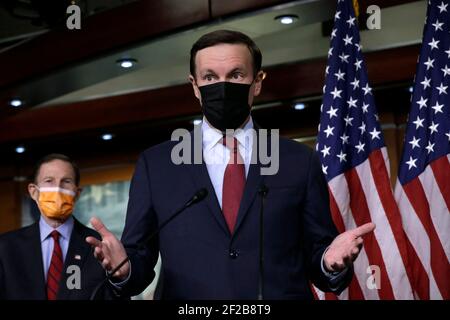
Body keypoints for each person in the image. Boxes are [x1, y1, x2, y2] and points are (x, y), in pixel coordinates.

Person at [87, 30, 375, 299]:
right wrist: (122, 271)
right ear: (195, 86)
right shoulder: (157, 165)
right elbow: (139, 257)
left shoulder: (299, 161)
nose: (222, 86)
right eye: (210, 77)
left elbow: (319, 256)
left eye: (236, 75)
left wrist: (329, 262)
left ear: (258, 81)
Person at [0, 154, 116, 300]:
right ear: (34, 192)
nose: (57, 188)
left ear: (77, 193)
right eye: (49, 181)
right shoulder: (5, 247)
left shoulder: (99, 245)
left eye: (66, 181)